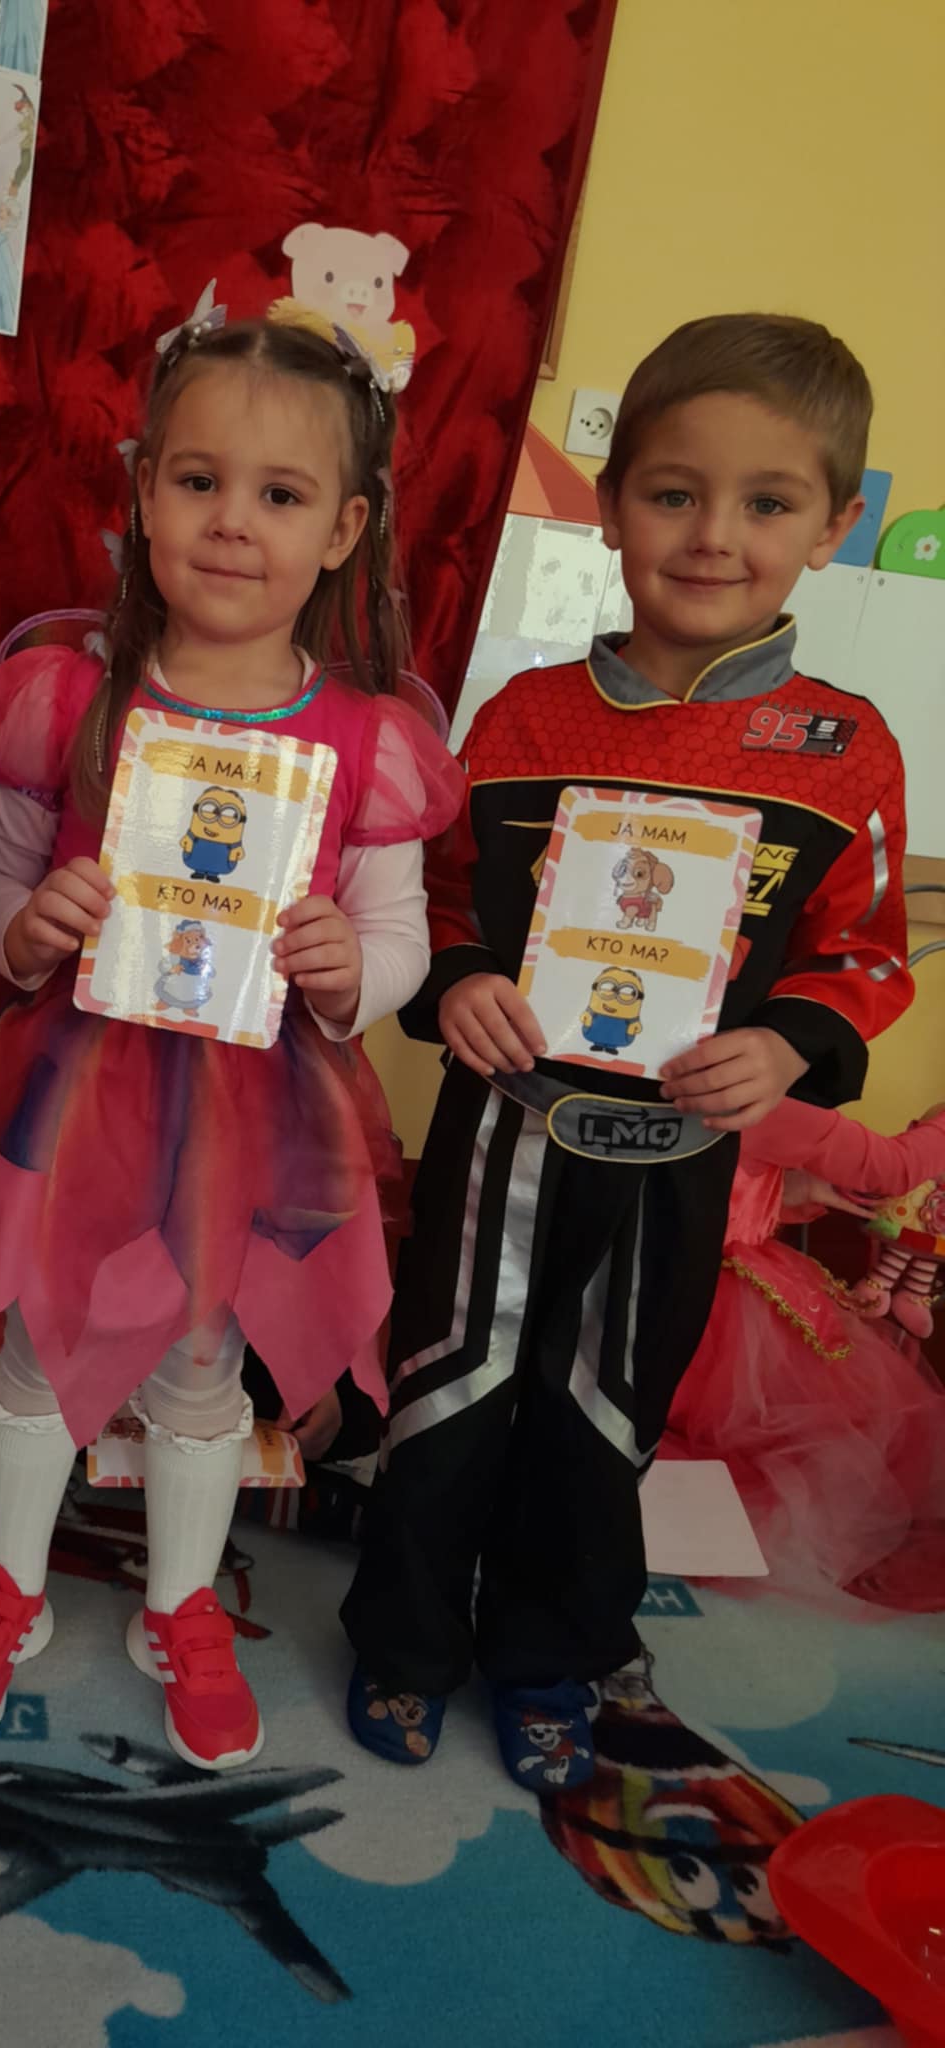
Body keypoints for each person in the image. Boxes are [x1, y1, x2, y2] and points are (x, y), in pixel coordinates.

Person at [341, 313, 913, 1784]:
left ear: (835, 526)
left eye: (768, 502)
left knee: (603, 1416)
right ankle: (404, 1641)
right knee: (447, 1386)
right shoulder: (523, 716)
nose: (715, 535)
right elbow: (440, 901)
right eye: (673, 492)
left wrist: (786, 1046)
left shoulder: (847, 749)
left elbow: (866, 955)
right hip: (504, 1129)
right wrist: (457, 981)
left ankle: (551, 1653)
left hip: (680, 1151)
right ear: (610, 505)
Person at [0, 309, 463, 1770]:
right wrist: (26, 928)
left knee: (204, 1358)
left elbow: (399, 936)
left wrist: (352, 970)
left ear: (343, 531)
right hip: (79, 1088)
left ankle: (181, 1603)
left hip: (257, 1108)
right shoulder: (64, 695)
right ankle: (6, 1584)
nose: (231, 522)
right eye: (199, 480)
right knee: (41, 1336)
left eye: (280, 495)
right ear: (144, 490)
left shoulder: (368, 740)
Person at [667, 1097, 945, 1605]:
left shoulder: (710, 1097)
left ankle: (687, 1529)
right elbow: (893, 1167)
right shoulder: (764, 1100)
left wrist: (789, 1190)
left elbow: (724, 1188)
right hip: (723, 1290)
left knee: (692, 1423)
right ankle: (700, 1532)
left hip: (675, 1269)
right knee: (749, 1428)